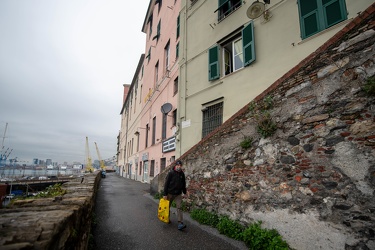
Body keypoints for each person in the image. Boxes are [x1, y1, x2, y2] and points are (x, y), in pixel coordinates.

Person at [163, 160, 187, 230]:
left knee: (179, 208)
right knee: (167, 207)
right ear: (175, 166)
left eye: (180, 165)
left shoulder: (182, 174)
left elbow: (183, 184)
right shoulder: (171, 173)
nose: (179, 167)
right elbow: (166, 184)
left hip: (178, 194)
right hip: (170, 193)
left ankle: (180, 223)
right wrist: (165, 194)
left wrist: (184, 193)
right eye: (177, 165)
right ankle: (167, 219)